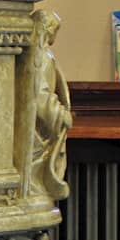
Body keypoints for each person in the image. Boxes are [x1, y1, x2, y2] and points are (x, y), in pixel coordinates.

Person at [31, 10, 72, 200]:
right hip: (39, 129)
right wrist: (61, 115)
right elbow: (40, 96)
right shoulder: (42, 57)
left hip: (39, 129)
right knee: (35, 181)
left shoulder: (40, 53)